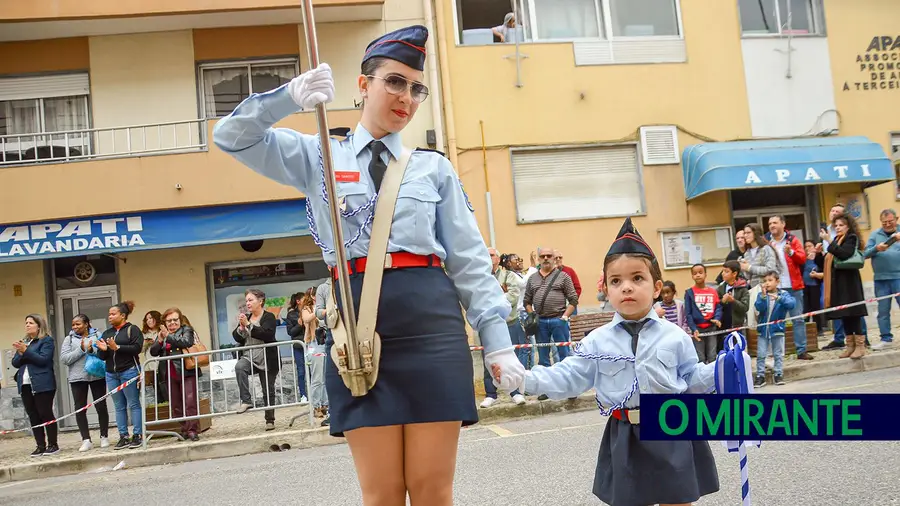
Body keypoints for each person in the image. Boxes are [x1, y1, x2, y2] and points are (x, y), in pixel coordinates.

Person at [213, 25, 522, 505]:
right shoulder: (317, 154)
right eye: (394, 82)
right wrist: (288, 97)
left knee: (432, 490)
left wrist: (498, 343)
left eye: (417, 88)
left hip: (431, 326)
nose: (407, 97)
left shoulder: (432, 167)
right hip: (357, 331)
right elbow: (231, 137)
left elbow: (468, 261)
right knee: (380, 495)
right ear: (363, 85)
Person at [506, 217, 719, 505]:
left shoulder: (675, 336)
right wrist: (523, 378)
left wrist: (721, 371)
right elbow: (567, 377)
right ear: (606, 289)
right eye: (616, 281)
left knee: (678, 502)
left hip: (672, 427)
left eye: (637, 278)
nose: (626, 287)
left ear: (656, 288)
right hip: (626, 437)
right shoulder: (597, 341)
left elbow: (690, 379)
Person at [819, 212, 868, 359]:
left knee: (853, 314)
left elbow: (844, 254)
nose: (838, 228)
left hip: (849, 283)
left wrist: (828, 241)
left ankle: (860, 345)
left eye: (841, 225)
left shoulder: (851, 238)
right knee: (844, 314)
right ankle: (850, 345)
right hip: (839, 283)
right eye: (836, 226)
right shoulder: (837, 239)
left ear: (848, 226)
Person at [96, 301, 144, 450]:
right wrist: (103, 350)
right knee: (119, 406)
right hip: (111, 373)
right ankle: (123, 436)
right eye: (109, 314)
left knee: (133, 403)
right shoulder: (107, 333)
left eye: (113, 314)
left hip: (128, 370)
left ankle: (137, 435)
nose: (109, 316)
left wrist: (118, 348)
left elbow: (137, 348)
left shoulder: (133, 330)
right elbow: (102, 356)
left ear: (122, 315)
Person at [150, 308, 202, 441]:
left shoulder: (186, 330)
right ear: (165, 322)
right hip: (168, 373)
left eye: (175, 320)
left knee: (190, 402)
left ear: (180, 320)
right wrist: (160, 340)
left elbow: (186, 342)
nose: (172, 323)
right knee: (176, 404)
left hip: (186, 370)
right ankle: (184, 428)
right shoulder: (162, 334)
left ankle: (192, 430)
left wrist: (168, 336)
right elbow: (154, 352)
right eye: (169, 320)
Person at [59, 314, 110, 452]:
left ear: (87, 324)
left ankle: (104, 436)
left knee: (101, 406)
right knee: (80, 408)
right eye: (73, 325)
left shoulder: (98, 334)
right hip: (77, 378)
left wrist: (92, 350)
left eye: (78, 324)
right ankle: (86, 439)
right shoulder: (68, 339)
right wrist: (81, 350)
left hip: (97, 376)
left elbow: (104, 353)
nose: (75, 327)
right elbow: (64, 359)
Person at [12, 314, 60, 457]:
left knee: (45, 413)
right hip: (25, 384)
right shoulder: (24, 341)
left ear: (39, 325)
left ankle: (53, 444)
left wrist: (26, 351)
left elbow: (43, 360)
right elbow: (15, 363)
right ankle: (40, 445)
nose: (27, 325)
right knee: (33, 416)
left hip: (43, 383)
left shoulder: (46, 341)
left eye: (31, 323)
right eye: (26, 322)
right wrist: (21, 352)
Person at [233, 288, 280, 431]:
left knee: (268, 390)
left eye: (251, 300)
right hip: (249, 356)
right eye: (246, 300)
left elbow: (267, 334)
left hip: (267, 358)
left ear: (260, 301)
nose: (248, 303)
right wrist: (241, 328)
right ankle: (246, 401)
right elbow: (236, 336)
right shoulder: (246, 317)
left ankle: (269, 420)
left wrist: (248, 325)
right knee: (239, 367)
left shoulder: (269, 317)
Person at [863, 209, 900, 350]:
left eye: (890, 221)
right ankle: (886, 338)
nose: (888, 224)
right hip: (880, 279)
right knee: (883, 310)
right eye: (884, 222)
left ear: (896, 219)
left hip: (899, 277)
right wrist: (876, 249)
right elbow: (865, 254)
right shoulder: (875, 235)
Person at [753, 271, 795, 387]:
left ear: (777, 282)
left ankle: (778, 374)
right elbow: (759, 307)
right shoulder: (761, 295)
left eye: (770, 280)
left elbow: (791, 304)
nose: (767, 283)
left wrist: (779, 299)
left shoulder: (784, 294)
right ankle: (760, 376)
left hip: (778, 328)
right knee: (761, 354)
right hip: (763, 330)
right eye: (765, 281)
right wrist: (762, 296)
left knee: (778, 353)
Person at [683, 264, 722, 364]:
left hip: (711, 328)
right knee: (700, 358)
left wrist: (717, 318)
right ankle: (702, 379)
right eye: (695, 273)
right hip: (697, 330)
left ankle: (713, 378)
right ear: (692, 276)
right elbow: (688, 313)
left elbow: (718, 307)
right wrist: (693, 328)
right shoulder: (689, 293)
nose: (698, 275)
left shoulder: (713, 291)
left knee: (712, 356)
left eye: (700, 272)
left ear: (705, 274)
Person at [716, 260, 750, 352]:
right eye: (722, 271)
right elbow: (717, 305)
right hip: (723, 326)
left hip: (736, 325)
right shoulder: (720, 288)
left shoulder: (743, 289)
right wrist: (722, 301)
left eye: (726, 271)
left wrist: (733, 301)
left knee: (737, 351)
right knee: (724, 351)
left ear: (734, 274)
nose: (723, 274)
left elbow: (745, 307)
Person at [284, 292, 309, 404]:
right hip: (299, 346)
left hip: (310, 344)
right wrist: (300, 324)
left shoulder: (309, 311)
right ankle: (303, 395)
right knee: (301, 371)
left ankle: (315, 394)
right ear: (298, 301)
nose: (306, 300)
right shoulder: (291, 315)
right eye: (304, 299)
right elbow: (290, 332)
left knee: (313, 371)